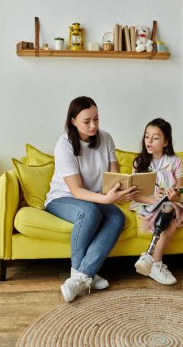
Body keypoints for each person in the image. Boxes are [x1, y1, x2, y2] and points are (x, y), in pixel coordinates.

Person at [45, 96, 139, 302]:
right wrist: (106, 199)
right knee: (89, 212)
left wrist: (123, 192)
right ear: (73, 121)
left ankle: (83, 275)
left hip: (95, 198)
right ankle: (81, 274)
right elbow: (77, 191)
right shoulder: (64, 144)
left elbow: (116, 178)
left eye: (96, 119)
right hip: (63, 198)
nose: (93, 125)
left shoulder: (106, 138)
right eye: (87, 121)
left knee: (117, 217)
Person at [130, 118, 183, 285]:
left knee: (169, 209)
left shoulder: (176, 162)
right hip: (147, 203)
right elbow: (135, 194)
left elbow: (178, 192)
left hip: (171, 204)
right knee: (168, 215)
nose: (149, 141)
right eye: (147, 136)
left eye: (155, 138)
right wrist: (150, 199)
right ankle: (156, 263)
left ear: (166, 142)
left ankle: (151, 260)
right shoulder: (139, 162)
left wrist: (174, 197)